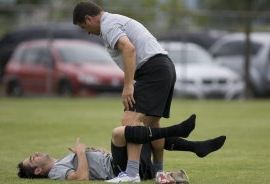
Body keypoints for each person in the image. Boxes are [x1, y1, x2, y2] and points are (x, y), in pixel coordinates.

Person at [73, 1, 177, 181]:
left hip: (152, 70)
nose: (88, 32)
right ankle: (159, 172)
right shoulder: (114, 21)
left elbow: (129, 48)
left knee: (130, 120)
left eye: (85, 27)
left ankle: (131, 174)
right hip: (164, 67)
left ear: (89, 18)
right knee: (152, 124)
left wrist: (129, 85)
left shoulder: (108, 24)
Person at [17, 115, 226, 182]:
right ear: (38, 171)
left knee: (149, 124)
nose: (34, 155)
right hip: (120, 170)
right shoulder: (55, 172)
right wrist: (81, 152)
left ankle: (195, 148)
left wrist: (96, 152)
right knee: (120, 132)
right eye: (32, 159)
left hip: (122, 163)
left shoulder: (61, 160)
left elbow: (90, 166)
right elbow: (81, 178)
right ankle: (181, 133)